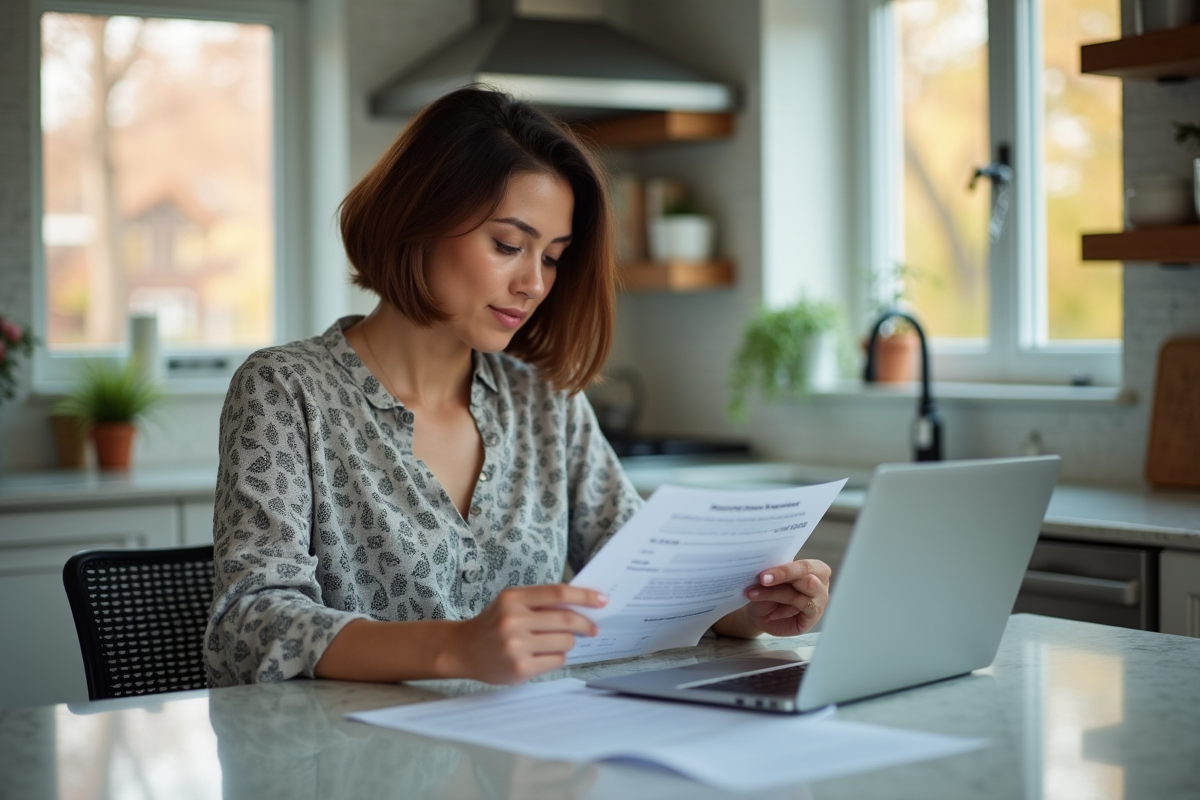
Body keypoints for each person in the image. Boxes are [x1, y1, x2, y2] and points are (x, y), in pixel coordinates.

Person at [204, 86, 832, 688]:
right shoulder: (285, 391)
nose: (534, 282)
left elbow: (649, 578)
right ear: (418, 219)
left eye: (553, 256)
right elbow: (247, 627)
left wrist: (751, 609)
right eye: (509, 244)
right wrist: (456, 647)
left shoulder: (546, 402)